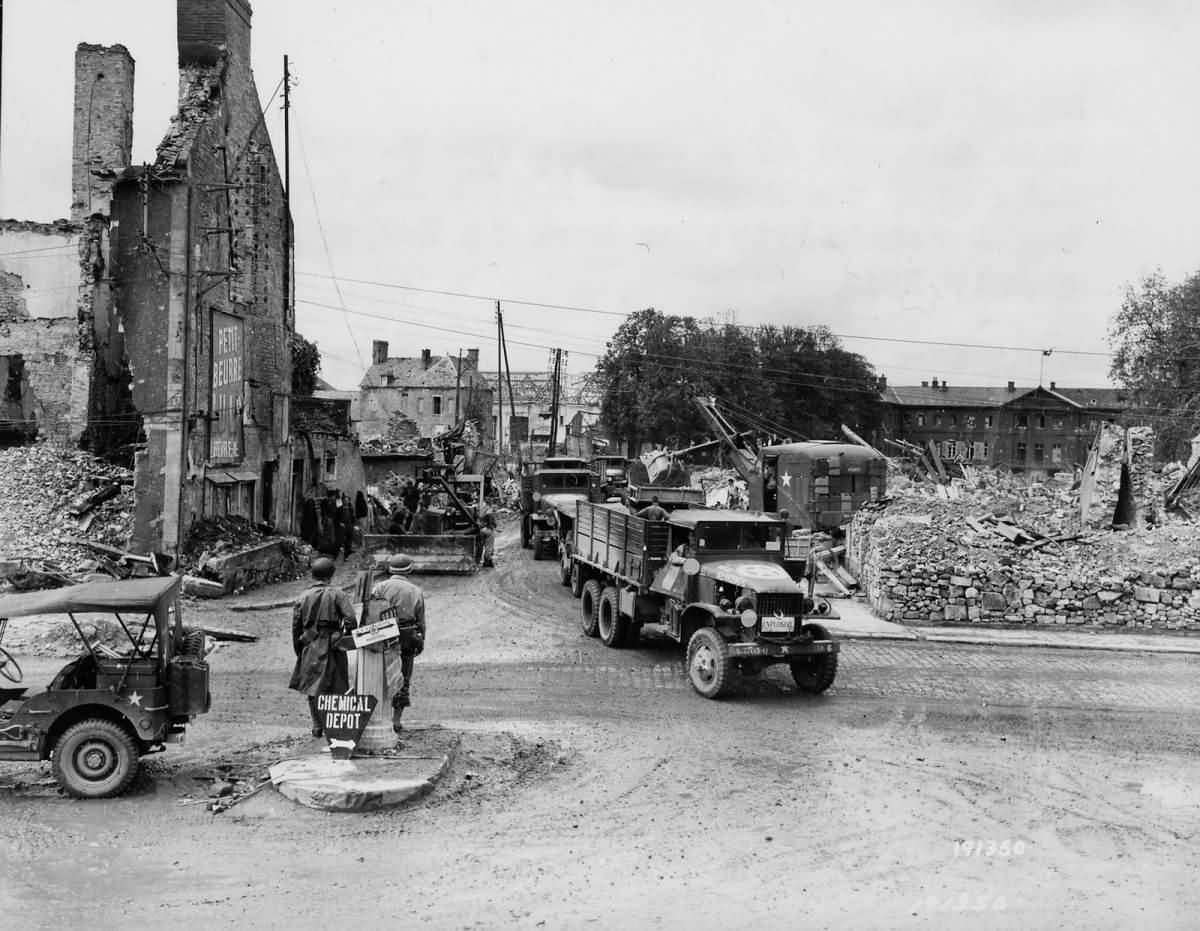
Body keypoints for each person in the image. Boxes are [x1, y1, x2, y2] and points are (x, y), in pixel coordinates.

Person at [289, 557, 358, 737]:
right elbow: (351, 620)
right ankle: (334, 725)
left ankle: (317, 725)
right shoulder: (338, 594)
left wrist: (300, 649)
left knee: (312, 687)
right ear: (331, 575)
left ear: (313, 575)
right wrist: (342, 636)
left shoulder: (303, 597)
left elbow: (296, 627)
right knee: (338, 685)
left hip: (310, 645)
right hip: (333, 645)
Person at [370, 553, 426, 732]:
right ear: (409, 570)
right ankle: (396, 720)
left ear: (390, 570)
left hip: (382, 634)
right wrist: (421, 639)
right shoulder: (415, 591)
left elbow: (370, 611)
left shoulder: (379, 587)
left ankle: (380, 717)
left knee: (380, 674)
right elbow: (420, 620)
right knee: (404, 676)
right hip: (407, 635)